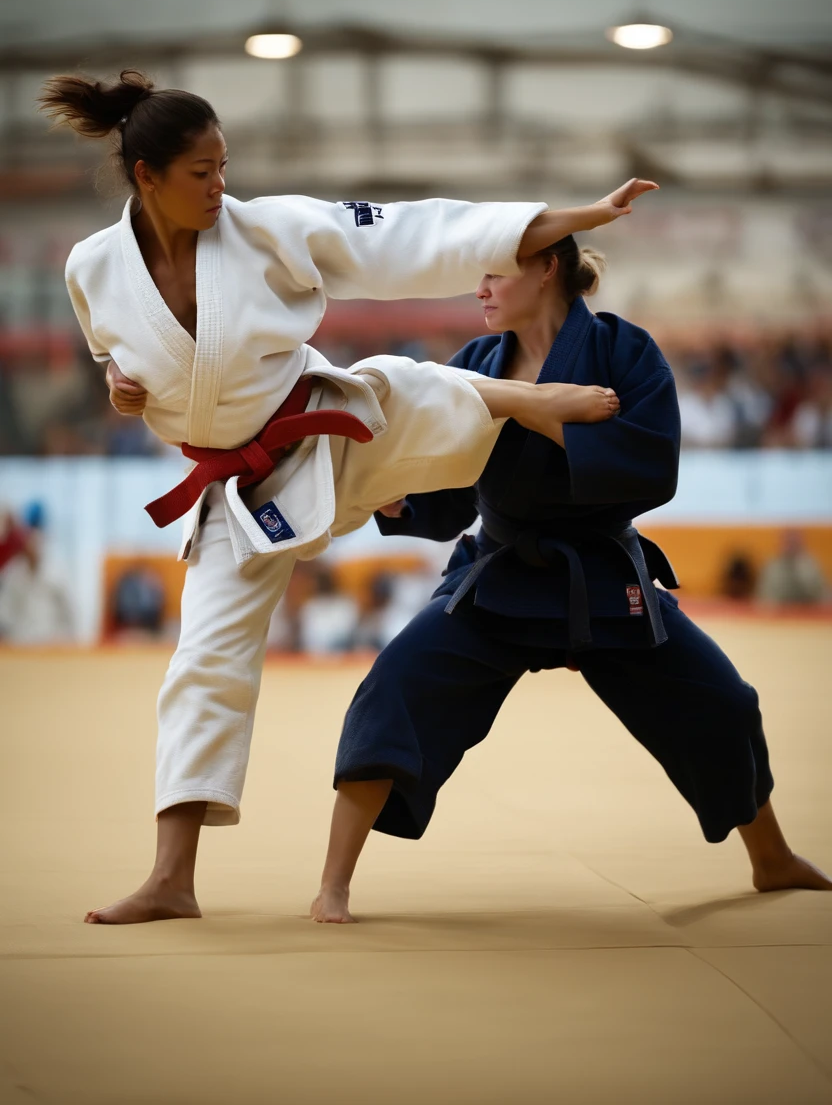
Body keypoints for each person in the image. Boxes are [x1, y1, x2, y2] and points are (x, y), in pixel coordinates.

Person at [39, 68, 655, 924]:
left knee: (402, 383)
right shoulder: (91, 267)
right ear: (147, 177)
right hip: (239, 488)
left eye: (224, 165)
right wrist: (121, 390)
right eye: (202, 172)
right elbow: (118, 359)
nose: (222, 186)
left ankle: (519, 399)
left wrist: (569, 220)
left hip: (325, 430)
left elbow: (411, 235)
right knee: (202, 662)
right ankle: (172, 879)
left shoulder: (269, 230)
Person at [311, 238, 832, 922]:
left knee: (724, 702)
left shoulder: (625, 352)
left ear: (547, 269)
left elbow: (654, 464)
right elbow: (447, 488)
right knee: (394, 687)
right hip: (501, 578)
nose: (483, 290)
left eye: (495, 274)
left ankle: (770, 859)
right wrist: (401, 496)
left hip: (605, 575)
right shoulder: (476, 365)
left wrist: (541, 415)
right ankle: (333, 886)